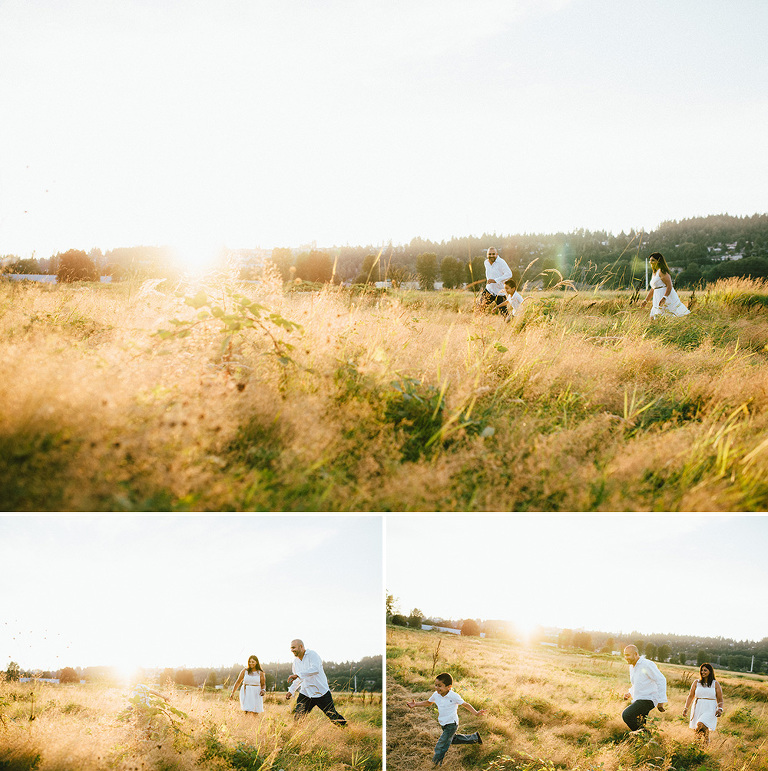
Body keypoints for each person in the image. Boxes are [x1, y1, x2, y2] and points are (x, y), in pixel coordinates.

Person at [406, 672, 486, 766]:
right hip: (443, 723)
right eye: (435, 685)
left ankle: (435, 764)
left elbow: (465, 704)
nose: (437, 688)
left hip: (452, 723)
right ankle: (475, 738)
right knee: (452, 739)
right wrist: (416, 705)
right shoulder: (436, 694)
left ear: (449, 687)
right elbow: (428, 702)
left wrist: (476, 713)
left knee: (442, 744)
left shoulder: (454, 696)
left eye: (440, 686)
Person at [285, 639, 346, 725]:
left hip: (321, 692)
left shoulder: (312, 655)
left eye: (294, 647)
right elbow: (298, 678)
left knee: (333, 716)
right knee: (298, 716)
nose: (292, 650)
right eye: (291, 648)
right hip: (306, 693)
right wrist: (291, 691)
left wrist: (298, 675)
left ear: (301, 646)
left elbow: (315, 669)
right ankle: (296, 735)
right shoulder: (295, 662)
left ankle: (348, 730)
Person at [622, 645, 668, 732]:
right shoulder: (632, 667)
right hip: (639, 698)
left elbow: (661, 680)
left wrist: (661, 701)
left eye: (628, 655)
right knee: (640, 723)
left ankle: (645, 735)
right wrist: (630, 693)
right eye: (624, 655)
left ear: (635, 654)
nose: (625, 657)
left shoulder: (647, 664)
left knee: (626, 715)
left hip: (648, 699)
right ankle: (645, 741)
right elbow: (637, 683)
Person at [682, 662, 724, 745]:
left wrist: (720, 709)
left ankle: (699, 743)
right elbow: (690, 696)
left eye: (705, 670)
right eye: (701, 670)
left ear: (710, 672)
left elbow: (720, 699)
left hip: (710, 708)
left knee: (701, 724)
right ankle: (702, 744)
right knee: (698, 729)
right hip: (698, 706)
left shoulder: (715, 684)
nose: (703, 672)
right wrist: (686, 708)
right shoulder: (696, 682)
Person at [641, 252, 690, 319]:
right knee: (654, 318)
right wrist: (646, 300)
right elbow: (653, 289)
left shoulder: (662, 271)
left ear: (658, 261)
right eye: (650, 260)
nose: (650, 262)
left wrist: (664, 298)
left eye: (653, 260)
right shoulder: (654, 273)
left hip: (665, 296)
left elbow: (669, 285)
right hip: (657, 297)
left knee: (667, 316)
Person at [481, 247, 513, 315]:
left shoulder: (501, 262)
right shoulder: (486, 262)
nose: (491, 256)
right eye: (489, 254)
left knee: (504, 314)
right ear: (487, 255)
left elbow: (509, 274)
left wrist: (496, 280)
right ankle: (477, 324)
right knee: (479, 309)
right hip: (489, 291)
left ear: (497, 254)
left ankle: (512, 324)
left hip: (500, 293)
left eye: (493, 254)